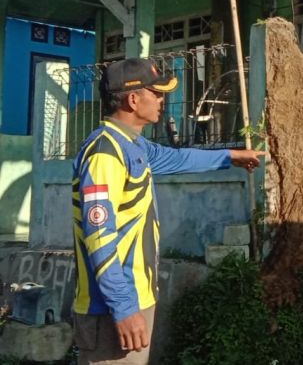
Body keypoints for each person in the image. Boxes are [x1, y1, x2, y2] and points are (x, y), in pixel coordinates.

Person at [71, 58, 265, 364]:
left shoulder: (133, 145)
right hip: (110, 309)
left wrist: (230, 156)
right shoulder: (105, 153)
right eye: (156, 93)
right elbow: (99, 237)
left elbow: (178, 159)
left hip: (135, 299)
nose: (162, 100)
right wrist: (123, 308)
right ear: (133, 100)